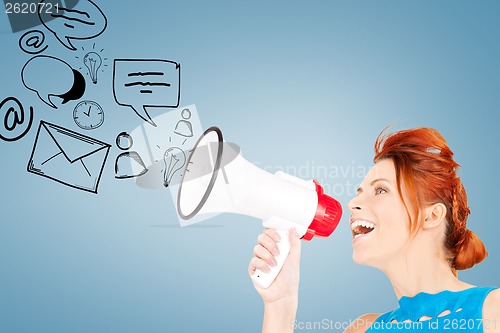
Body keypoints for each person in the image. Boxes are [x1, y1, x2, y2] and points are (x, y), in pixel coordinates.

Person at [248, 127, 500, 333]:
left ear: (431, 216)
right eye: (359, 192)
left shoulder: (493, 310)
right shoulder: (363, 328)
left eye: (380, 190)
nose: (352, 203)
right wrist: (280, 306)